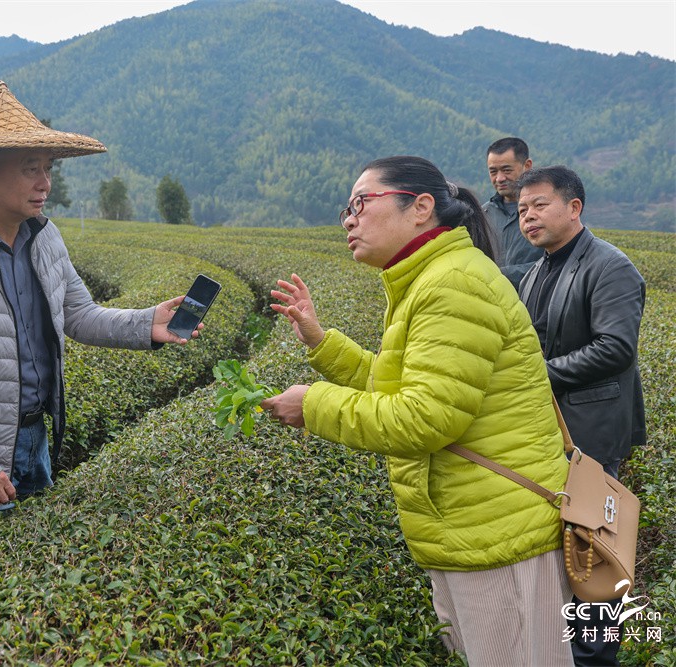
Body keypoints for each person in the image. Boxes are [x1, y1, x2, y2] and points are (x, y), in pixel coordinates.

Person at [260, 156, 574, 665]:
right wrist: (321, 343)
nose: (349, 220)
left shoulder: (453, 284)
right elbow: (404, 387)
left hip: (497, 527)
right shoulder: (428, 279)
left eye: (361, 203)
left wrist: (313, 405)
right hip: (472, 525)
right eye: (346, 209)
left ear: (421, 207)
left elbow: (425, 417)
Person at [0, 82, 200, 542]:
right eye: (30, 169)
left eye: (48, 168)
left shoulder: (43, 237)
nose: (45, 183)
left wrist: (146, 323)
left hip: (35, 441)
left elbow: (78, 314)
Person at [517, 165, 645, 667]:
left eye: (539, 205)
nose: (528, 217)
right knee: (562, 551)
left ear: (574, 208)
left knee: (593, 555)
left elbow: (615, 347)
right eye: (522, 209)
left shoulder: (610, 266)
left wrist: (539, 376)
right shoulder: (537, 269)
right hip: (550, 433)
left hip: (591, 435)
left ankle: (594, 658)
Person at [482, 137, 543, 288]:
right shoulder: (483, 214)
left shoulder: (544, 211)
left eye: (507, 170)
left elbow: (555, 263)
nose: (499, 178)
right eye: (493, 172)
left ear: (527, 166)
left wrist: (498, 275)